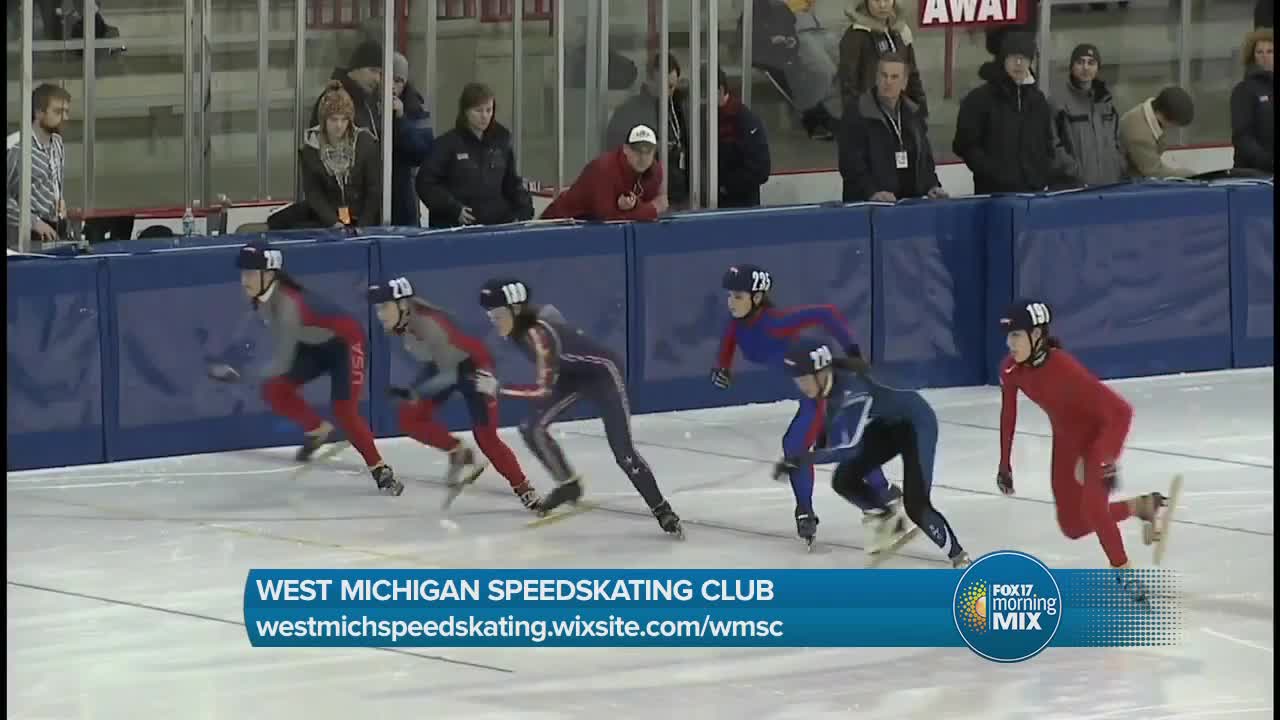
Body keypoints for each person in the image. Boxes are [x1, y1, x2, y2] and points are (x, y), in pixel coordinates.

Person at [711, 264, 907, 551]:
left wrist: (853, 351)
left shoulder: (776, 322)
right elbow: (729, 339)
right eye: (729, 295)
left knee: (814, 443)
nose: (731, 302)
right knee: (813, 442)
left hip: (824, 383)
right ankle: (847, 499)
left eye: (738, 296)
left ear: (757, 298)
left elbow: (826, 312)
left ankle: (871, 496)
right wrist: (723, 367)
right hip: (807, 385)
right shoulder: (736, 324)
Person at [996, 299, 1177, 597]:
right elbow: (1008, 414)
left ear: (1037, 335)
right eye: (1008, 336)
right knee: (1073, 525)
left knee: (1093, 505)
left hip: (1105, 427)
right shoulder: (1011, 369)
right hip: (1068, 436)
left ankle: (1125, 573)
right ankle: (1140, 506)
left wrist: (1105, 459)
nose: (1010, 343)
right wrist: (1005, 464)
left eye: (1016, 335)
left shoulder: (1063, 367)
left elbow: (1117, 411)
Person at [477, 277, 684, 538]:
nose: (494, 322)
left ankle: (662, 509)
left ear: (516, 309)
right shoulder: (521, 326)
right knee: (531, 427)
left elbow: (542, 390)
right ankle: (569, 485)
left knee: (623, 453)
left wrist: (498, 389)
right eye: (490, 316)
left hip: (603, 376)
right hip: (570, 376)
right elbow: (555, 320)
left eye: (497, 315)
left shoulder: (537, 334)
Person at [208, 241, 401, 496]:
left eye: (251, 273)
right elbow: (249, 325)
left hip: (347, 344)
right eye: (243, 273)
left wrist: (241, 374)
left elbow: (283, 362)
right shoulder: (263, 295)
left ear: (270, 274)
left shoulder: (288, 304)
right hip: (314, 343)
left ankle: (379, 468)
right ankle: (317, 428)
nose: (245, 280)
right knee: (274, 390)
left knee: (344, 411)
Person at [773, 339, 971, 568]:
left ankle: (959, 557)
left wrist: (803, 458)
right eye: (798, 381)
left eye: (804, 379)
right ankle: (888, 517)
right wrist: (819, 444)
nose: (802, 387)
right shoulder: (830, 380)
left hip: (918, 424)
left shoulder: (852, 390)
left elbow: (850, 449)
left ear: (820, 373)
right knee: (844, 479)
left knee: (916, 505)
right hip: (889, 424)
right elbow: (832, 414)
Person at [367, 276, 541, 511]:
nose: (380, 314)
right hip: (447, 364)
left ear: (403, 304)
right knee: (409, 418)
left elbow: (451, 374)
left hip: (475, 368)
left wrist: (416, 391)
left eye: (385, 307)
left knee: (486, 437)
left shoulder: (428, 325)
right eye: (378, 308)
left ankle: (523, 488)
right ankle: (458, 451)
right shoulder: (406, 321)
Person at [417, 83, 533, 228]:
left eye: (489, 110)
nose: (484, 116)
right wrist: (453, 209)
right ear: (465, 111)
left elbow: (511, 182)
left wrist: (523, 211)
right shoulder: (447, 144)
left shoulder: (501, 142)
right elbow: (425, 183)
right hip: (456, 227)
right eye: (478, 111)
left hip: (496, 225)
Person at [952, 32, 1056, 194]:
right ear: (1003, 59)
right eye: (1013, 57)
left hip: (1033, 193)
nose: (1019, 63)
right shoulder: (979, 99)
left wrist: (1041, 175)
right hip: (993, 194)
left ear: (1030, 61)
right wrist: (992, 174)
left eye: (1024, 57)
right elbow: (965, 145)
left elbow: (1047, 142)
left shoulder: (1038, 100)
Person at [270, 81, 381, 230]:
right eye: (334, 119)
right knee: (278, 221)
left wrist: (363, 226)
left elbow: (374, 189)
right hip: (328, 215)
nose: (339, 125)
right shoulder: (311, 148)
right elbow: (313, 192)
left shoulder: (364, 143)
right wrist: (333, 222)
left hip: (359, 215)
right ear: (324, 120)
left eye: (344, 119)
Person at [838, 53, 946, 202]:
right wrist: (871, 192)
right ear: (876, 78)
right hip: (870, 205)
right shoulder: (857, 112)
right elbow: (849, 163)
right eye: (884, 75)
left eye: (894, 77)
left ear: (904, 83)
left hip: (909, 203)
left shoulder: (913, 113)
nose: (888, 82)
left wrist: (931, 185)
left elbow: (925, 159)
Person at [541, 124, 668, 221]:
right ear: (625, 149)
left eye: (648, 152)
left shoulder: (654, 171)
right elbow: (607, 219)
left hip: (589, 227)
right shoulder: (604, 169)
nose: (643, 158)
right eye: (637, 151)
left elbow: (644, 216)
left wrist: (636, 206)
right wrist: (652, 209)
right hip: (560, 223)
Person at [1051, 44, 1126, 187]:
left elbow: (1117, 140)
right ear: (1072, 66)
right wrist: (1074, 172)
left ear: (1098, 68)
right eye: (1080, 62)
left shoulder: (1106, 101)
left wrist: (1118, 165)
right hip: (1075, 187)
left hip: (1110, 184)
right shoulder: (1058, 102)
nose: (1085, 67)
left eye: (1091, 63)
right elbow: (1052, 144)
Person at [837, 0, 928, 118]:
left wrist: (921, 109)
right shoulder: (856, 34)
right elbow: (848, 82)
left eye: (887, 0)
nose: (882, 5)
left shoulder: (901, 30)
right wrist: (855, 118)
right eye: (876, 0)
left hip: (901, 112)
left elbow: (912, 73)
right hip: (871, 114)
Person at [7, 83, 70, 249]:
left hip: (54, 229)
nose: (65, 117)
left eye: (66, 112)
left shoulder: (57, 143)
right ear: (39, 112)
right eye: (58, 112)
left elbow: (51, 180)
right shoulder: (17, 147)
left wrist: (59, 200)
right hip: (22, 235)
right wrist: (32, 222)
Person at [714, 68, 771, 209]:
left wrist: (725, 186)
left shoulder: (744, 120)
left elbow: (761, 170)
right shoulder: (707, 117)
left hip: (741, 206)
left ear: (720, 90)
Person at [389, 53, 434, 226]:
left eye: (398, 81)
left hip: (403, 194)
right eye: (389, 79)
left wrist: (401, 119)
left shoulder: (414, 108)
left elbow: (423, 152)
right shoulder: (367, 106)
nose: (392, 86)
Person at [1118, 86, 1196, 179]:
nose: (1171, 129)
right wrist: (1190, 176)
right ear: (1163, 118)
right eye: (1174, 125)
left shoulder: (1149, 110)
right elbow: (1155, 172)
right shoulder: (1140, 135)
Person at [1230, 29, 1273, 174]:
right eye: (1259, 52)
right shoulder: (1244, 90)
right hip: (1252, 175)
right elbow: (1242, 136)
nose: (1265, 56)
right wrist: (1268, 161)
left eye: (1270, 51)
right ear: (1252, 56)